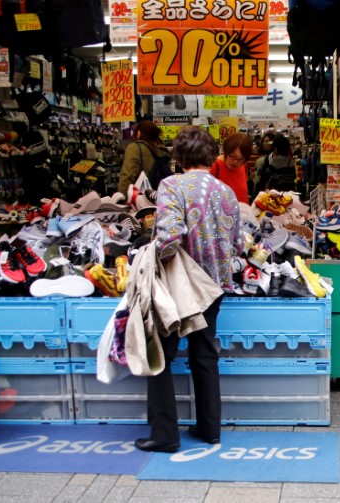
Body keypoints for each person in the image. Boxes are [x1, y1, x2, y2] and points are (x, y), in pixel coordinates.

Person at [135, 126, 244, 453]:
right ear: (211, 156)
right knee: (204, 354)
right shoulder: (226, 192)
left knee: (160, 356)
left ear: (178, 156)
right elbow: (237, 243)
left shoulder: (171, 185)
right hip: (214, 285)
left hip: (178, 285)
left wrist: (147, 254)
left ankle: (166, 434)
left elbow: (169, 239)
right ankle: (210, 429)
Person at [118, 120, 171, 197]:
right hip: (157, 198)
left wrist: (121, 198)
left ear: (138, 133)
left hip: (139, 200)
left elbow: (127, 175)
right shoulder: (162, 152)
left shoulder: (135, 148)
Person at [210, 132, 253, 204]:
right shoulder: (214, 166)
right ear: (226, 151)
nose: (235, 162)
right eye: (233, 156)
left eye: (241, 159)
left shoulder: (243, 165)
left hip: (243, 212)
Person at [252, 131, 276, 198]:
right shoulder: (264, 155)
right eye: (264, 141)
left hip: (264, 186)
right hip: (258, 183)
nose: (264, 143)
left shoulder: (271, 157)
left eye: (267, 141)